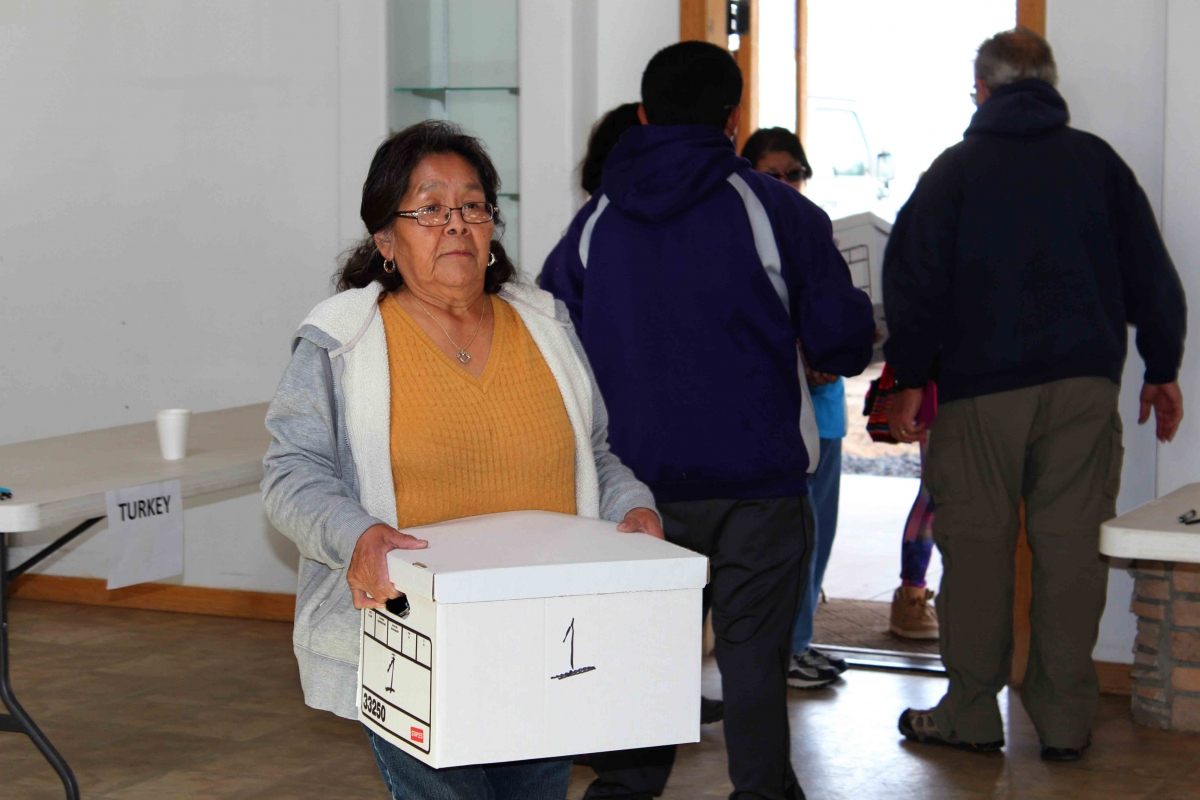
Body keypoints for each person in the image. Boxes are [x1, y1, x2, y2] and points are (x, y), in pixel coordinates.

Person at [262, 120, 663, 800]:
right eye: (429, 209)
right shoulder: (343, 341)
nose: (455, 224)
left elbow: (593, 455)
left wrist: (633, 506)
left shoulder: (545, 324)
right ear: (385, 240)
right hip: (416, 635)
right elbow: (291, 474)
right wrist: (357, 536)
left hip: (545, 631)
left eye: (472, 206)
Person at [541, 41, 876, 800]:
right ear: (733, 119)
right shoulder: (777, 210)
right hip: (760, 484)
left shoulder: (595, 223)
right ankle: (761, 790)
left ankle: (625, 791)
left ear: (645, 114)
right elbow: (841, 343)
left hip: (635, 491)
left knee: (641, 662)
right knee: (754, 661)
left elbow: (550, 341)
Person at [885, 28, 1186, 763]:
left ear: (982, 90)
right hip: (1083, 386)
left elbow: (913, 282)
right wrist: (1161, 366)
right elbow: (1152, 273)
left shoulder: (954, 170)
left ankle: (971, 714)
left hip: (979, 393)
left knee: (977, 549)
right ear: (1049, 86)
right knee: (1073, 552)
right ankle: (1065, 721)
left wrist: (909, 378)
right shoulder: (1098, 164)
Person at [742, 127, 848, 688]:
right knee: (787, 542)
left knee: (818, 536)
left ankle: (799, 642)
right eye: (772, 174)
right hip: (778, 419)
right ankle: (783, 650)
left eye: (795, 174)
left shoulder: (814, 230)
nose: (786, 184)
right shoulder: (741, 238)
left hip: (825, 409)